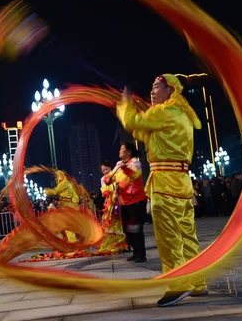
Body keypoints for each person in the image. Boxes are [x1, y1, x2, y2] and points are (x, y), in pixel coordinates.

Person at [117, 73, 207, 307]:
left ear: (171, 91)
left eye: (157, 87)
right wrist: (138, 115)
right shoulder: (181, 115)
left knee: (168, 236)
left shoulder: (164, 112)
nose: (152, 91)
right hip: (182, 182)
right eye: (152, 87)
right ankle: (197, 281)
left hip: (165, 182)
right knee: (187, 234)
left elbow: (134, 124)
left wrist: (126, 106)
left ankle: (178, 284)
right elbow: (144, 132)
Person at [103, 143, 147, 262]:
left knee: (135, 229)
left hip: (136, 201)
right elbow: (109, 179)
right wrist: (108, 178)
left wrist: (125, 168)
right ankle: (135, 251)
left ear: (128, 152)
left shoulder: (135, 163)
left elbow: (134, 175)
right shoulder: (118, 164)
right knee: (127, 229)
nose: (119, 151)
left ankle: (141, 255)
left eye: (122, 149)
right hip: (124, 202)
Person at [96, 161, 129, 254]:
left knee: (121, 222)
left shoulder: (116, 175)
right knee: (110, 221)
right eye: (103, 170)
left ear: (110, 167)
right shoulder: (103, 179)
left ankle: (123, 244)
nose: (105, 171)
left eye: (106, 169)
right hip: (110, 203)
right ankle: (113, 244)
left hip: (119, 200)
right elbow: (104, 190)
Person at [44, 170, 81, 242]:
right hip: (69, 204)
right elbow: (75, 195)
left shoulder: (63, 183)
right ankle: (67, 239)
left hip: (67, 205)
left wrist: (46, 191)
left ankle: (72, 241)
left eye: (56, 176)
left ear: (60, 176)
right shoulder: (68, 183)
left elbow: (55, 191)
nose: (56, 178)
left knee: (66, 224)